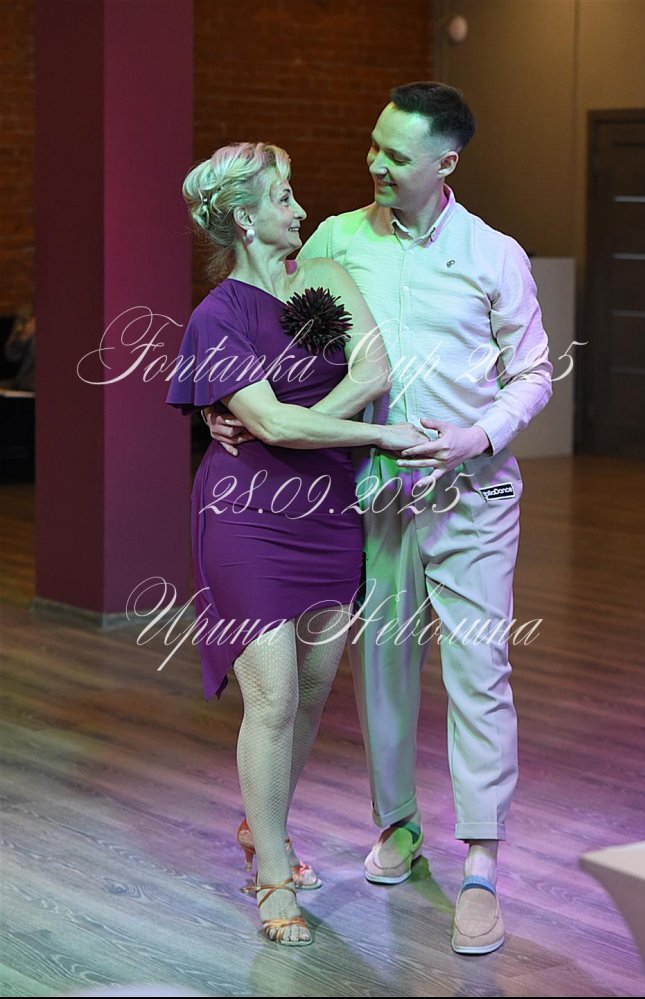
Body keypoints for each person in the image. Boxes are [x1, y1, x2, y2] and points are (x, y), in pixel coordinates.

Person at [207, 83, 553, 955]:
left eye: (396, 154)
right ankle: (397, 825)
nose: (375, 163)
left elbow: (534, 373)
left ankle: (481, 863)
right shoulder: (335, 241)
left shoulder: (494, 254)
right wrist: (223, 406)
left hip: (473, 494)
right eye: (374, 145)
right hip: (369, 493)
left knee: (479, 671)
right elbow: (262, 325)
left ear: (446, 162)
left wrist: (478, 434)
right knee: (384, 672)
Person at [166, 141, 425, 947]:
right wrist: (363, 433)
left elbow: (371, 371)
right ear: (245, 218)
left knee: (311, 692)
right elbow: (272, 425)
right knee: (273, 696)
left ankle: (261, 826)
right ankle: (273, 871)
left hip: (326, 511)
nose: (300, 208)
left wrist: (297, 423)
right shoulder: (217, 317)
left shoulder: (324, 278)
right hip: (245, 512)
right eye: (283, 196)